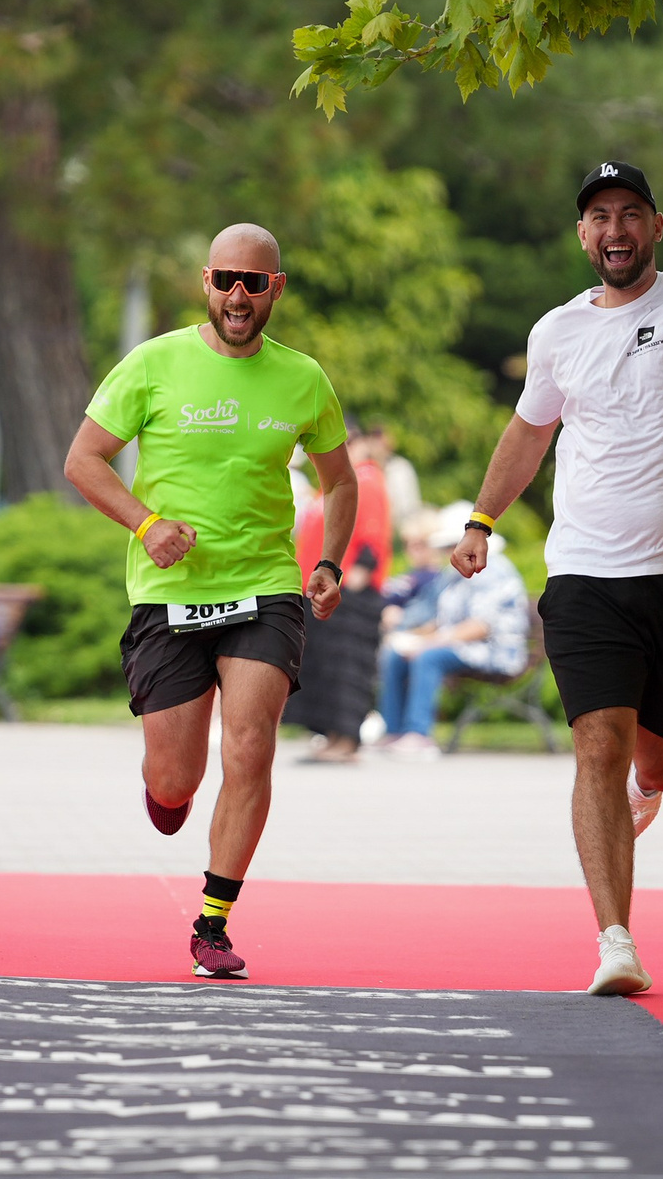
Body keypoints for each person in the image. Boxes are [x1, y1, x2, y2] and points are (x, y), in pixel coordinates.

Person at [452, 159, 663, 997]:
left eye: (630, 213)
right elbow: (528, 433)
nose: (615, 230)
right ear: (582, 234)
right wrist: (481, 521)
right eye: (599, 217)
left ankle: (650, 781)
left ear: (656, 228)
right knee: (595, 743)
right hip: (587, 573)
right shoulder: (556, 331)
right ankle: (615, 939)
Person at [65, 223, 356, 980]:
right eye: (226, 279)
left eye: (254, 282)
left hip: (264, 586)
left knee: (250, 742)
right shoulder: (154, 362)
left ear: (276, 290)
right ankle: (168, 792)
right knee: (176, 778)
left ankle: (213, 920)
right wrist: (147, 523)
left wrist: (326, 560)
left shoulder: (303, 379)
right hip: (168, 593)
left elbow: (341, 479)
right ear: (206, 281)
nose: (238, 295)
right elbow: (83, 460)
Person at [378, 504, 530, 752]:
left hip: (496, 652)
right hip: (461, 645)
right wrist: (409, 638)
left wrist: (431, 642)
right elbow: (442, 620)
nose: (449, 552)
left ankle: (419, 734)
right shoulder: (454, 574)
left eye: (451, 545)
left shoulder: (494, 570)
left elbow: (481, 626)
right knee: (395, 653)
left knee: (428, 657)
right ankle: (393, 732)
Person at [287, 429, 391, 763]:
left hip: (348, 591)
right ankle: (331, 734)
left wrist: (360, 570)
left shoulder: (367, 479)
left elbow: (373, 531)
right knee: (325, 666)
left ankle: (347, 739)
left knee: (347, 666)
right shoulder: (330, 483)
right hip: (321, 586)